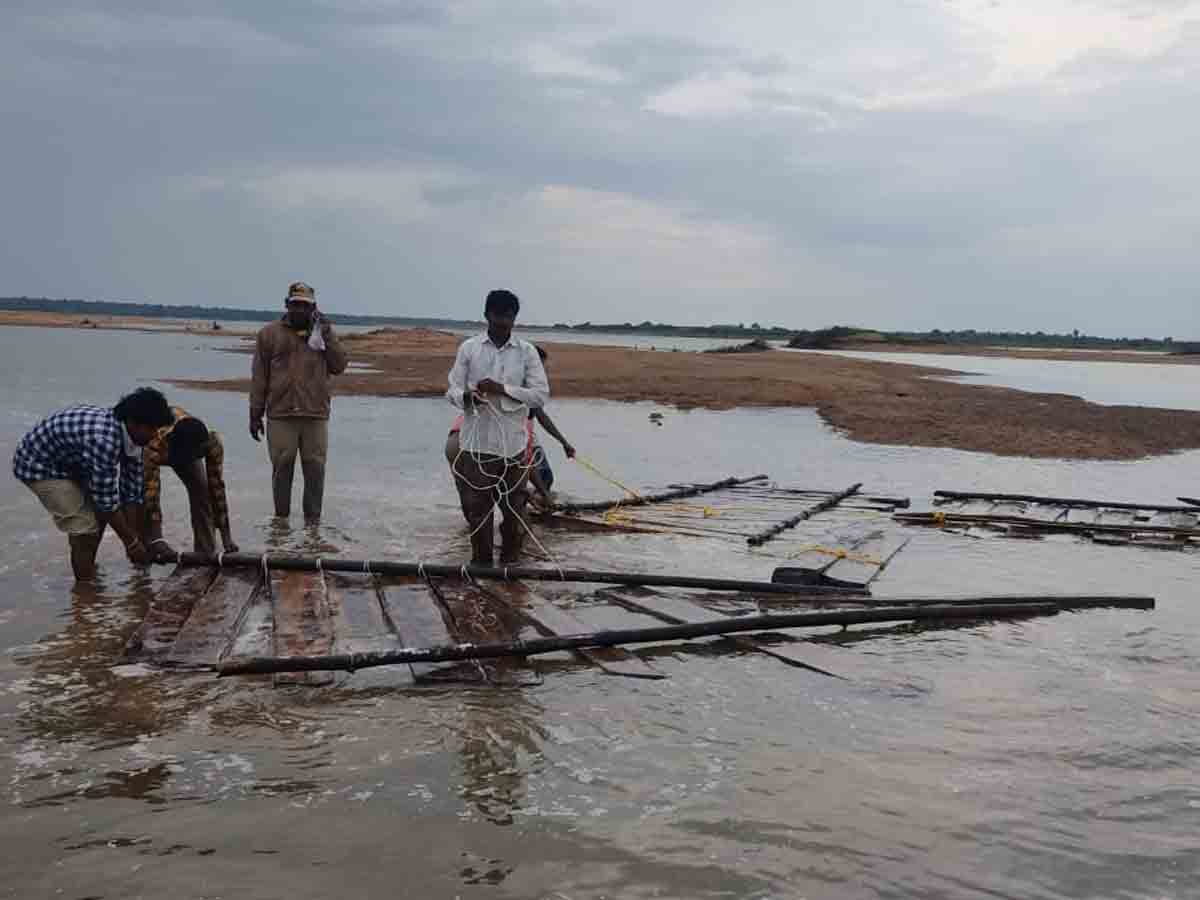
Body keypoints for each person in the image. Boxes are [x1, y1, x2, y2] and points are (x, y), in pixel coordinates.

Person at [12, 388, 174, 579]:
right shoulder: (104, 440)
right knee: (83, 525)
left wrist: (137, 538)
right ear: (133, 422)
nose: (155, 435)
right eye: (152, 429)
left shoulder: (133, 438)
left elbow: (131, 493)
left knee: (99, 515)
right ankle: (85, 590)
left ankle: (87, 568)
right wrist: (131, 543)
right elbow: (107, 502)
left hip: (71, 463)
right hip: (38, 465)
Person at [446, 289, 549, 564]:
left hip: (514, 448)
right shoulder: (469, 348)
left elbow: (540, 395)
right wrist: (467, 398)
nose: (503, 322)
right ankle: (481, 572)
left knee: (515, 512)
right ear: (486, 315)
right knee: (477, 513)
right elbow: (452, 390)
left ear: (515, 317)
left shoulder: (527, 352)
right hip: (476, 445)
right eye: (497, 316)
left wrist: (501, 389)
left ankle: (510, 572)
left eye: (508, 316)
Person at [249, 281, 347, 523]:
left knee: (315, 469)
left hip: (315, 414)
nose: (300, 310)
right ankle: (281, 525)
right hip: (280, 414)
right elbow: (259, 377)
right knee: (282, 468)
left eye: (305, 306)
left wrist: (326, 334)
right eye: (295, 305)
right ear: (286, 305)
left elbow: (339, 366)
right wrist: (254, 414)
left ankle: (312, 526)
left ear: (313, 308)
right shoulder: (269, 334)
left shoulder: (323, 333)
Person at [142, 408, 238, 561]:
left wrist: (226, 536)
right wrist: (158, 538)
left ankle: (206, 552)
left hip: (186, 446)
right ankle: (145, 555)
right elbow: (151, 493)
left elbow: (217, 489)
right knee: (140, 499)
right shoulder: (153, 445)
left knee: (202, 492)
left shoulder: (212, 442)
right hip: (161, 447)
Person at [525, 346, 575, 511]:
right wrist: (564, 443)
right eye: (541, 367)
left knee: (543, 477)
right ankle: (536, 503)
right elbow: (541, 416)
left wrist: (564, 443)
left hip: (525, 437)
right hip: (519, 439)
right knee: (542, 478)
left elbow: (541, 416)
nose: (543, 373)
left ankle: (533, 503)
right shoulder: (524, 386)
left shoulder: (526, 385)